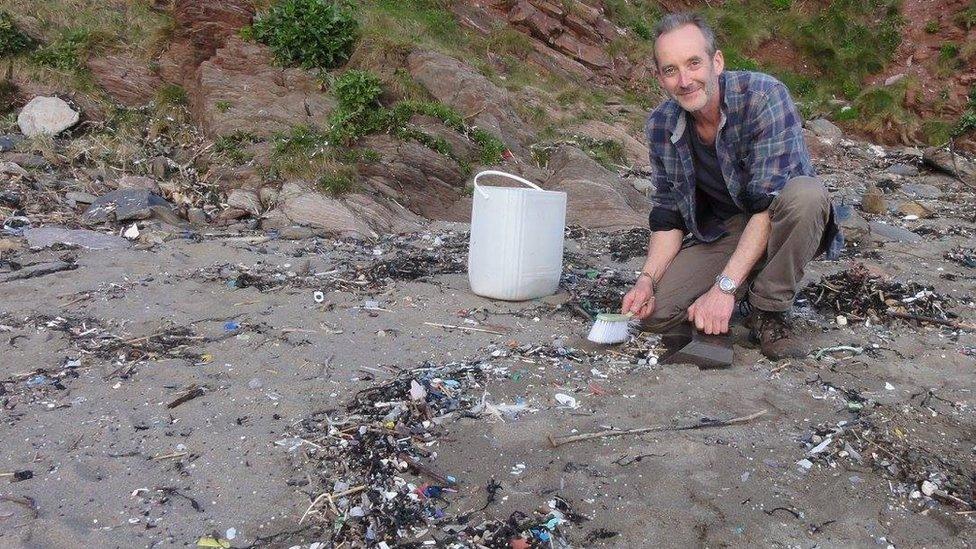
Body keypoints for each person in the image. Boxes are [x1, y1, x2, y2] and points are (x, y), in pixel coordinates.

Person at [620, 12, 841, 360]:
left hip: (781, 217)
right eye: (670, 70)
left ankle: (769, 310)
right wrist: (646, 280)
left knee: (807, 196)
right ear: (660, 78)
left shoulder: (764, 96)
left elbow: (767, 204)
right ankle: (745, 283)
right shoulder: (661, 125)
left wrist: (723, 288)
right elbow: (668, 217)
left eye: (694, 63)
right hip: (726, 230)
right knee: (657, 316)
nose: (684, 80)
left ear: (716, 62)